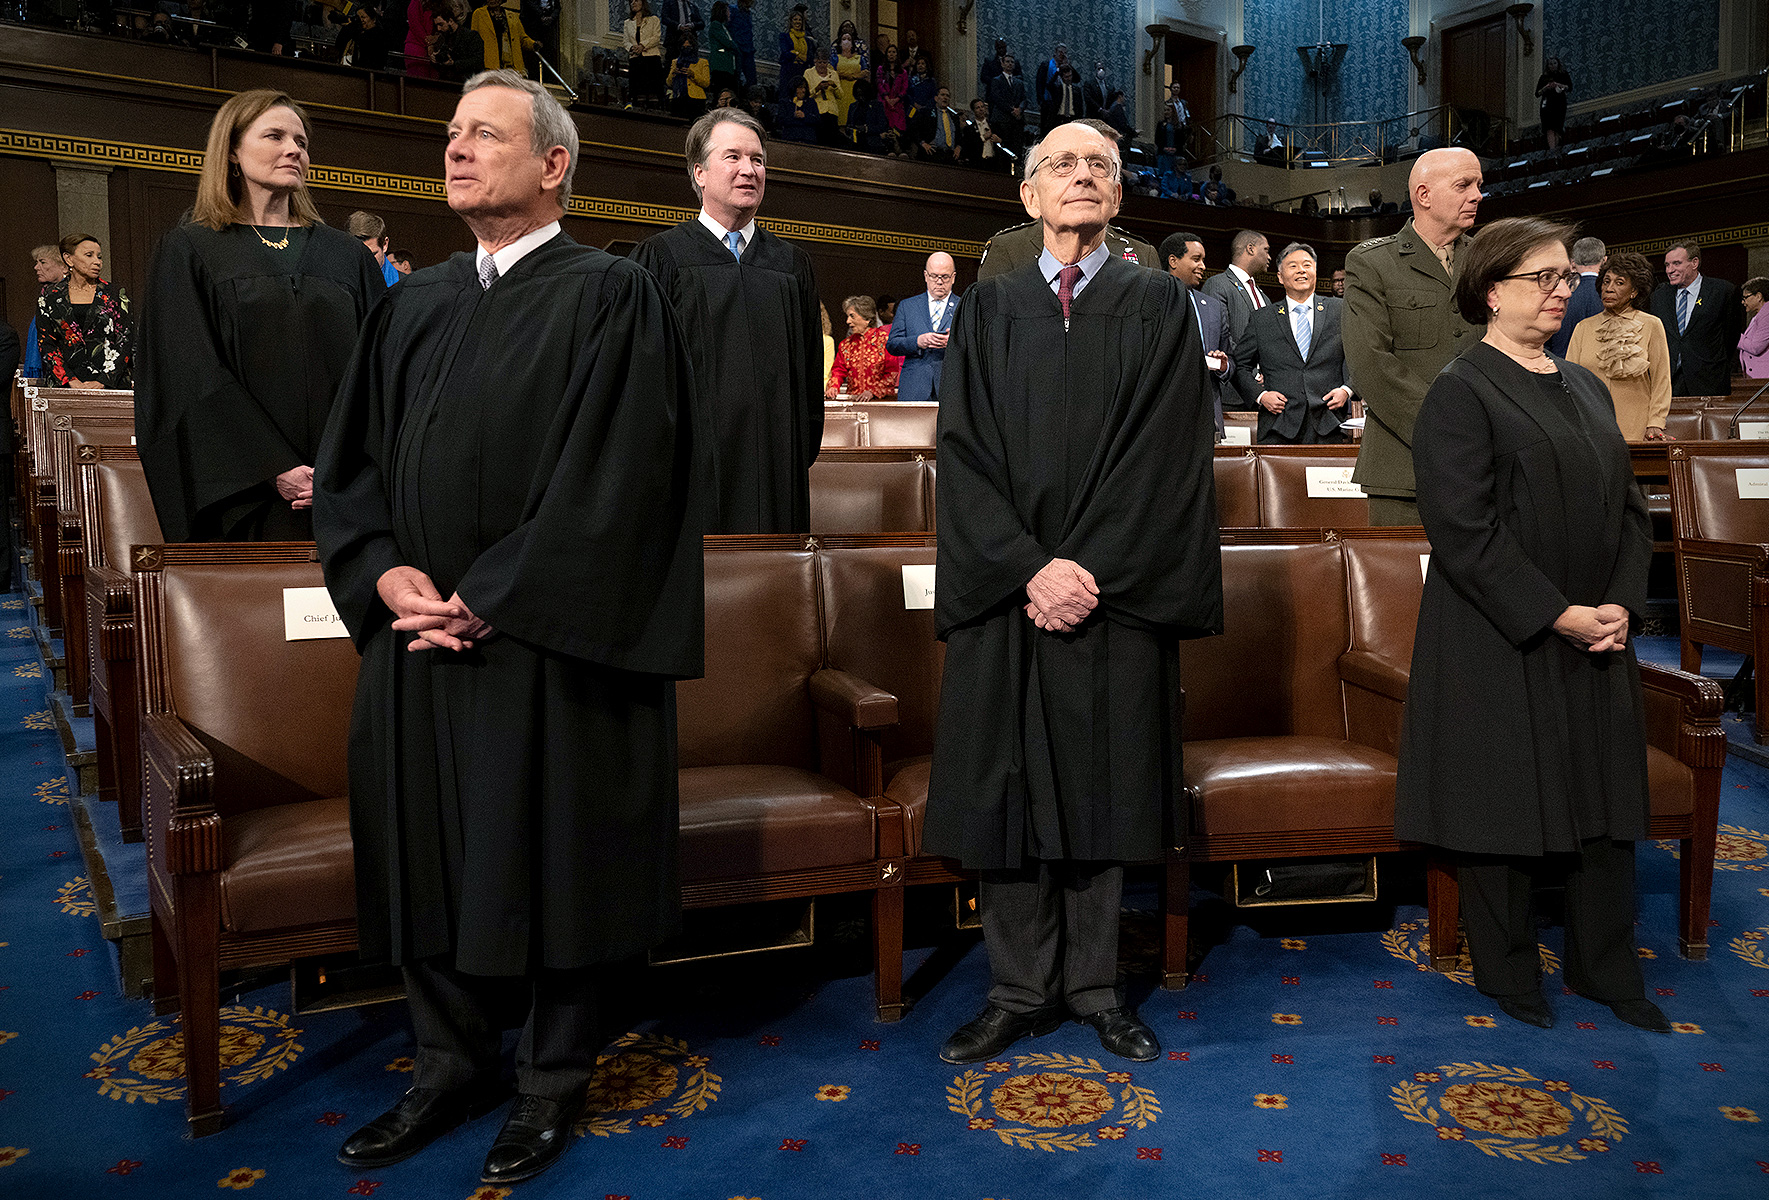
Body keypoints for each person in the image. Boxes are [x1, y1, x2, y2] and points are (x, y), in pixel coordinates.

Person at [316, 69, 707, 1186]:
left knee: (552, 852)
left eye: (482, 134)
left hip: (544, 642)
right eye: (449, 133)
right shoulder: (414, 300)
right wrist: (384, 574)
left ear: (552, 166)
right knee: (424, 842)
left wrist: (493, 594)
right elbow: (348, 468)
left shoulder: (611, 296)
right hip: (415, 639)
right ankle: (445, 1060)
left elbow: (622, 481)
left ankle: (548, 1078)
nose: (453, 148)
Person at [925, 119, 1221, 1067]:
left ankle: (1095, 985)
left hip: (1111, 591)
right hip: (1011, 594)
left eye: (1100, 165)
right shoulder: (988, 307)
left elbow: (1167, 457)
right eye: (1061, 165)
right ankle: (1014, 988)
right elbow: (962, 455)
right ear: (1027, 196)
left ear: (1119, 196)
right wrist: (1025, 567)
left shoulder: (1156, 305)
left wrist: (1084, 568)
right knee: (1005, 788)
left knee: (1104, 787)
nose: (1082, 177)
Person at [1395, 216, 1667, 1034]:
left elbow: (1629, 508)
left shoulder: (1580, 382)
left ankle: (1606, 969)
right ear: (1489, 291)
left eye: (1565, 279)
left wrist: (1620, 601)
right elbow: (1462, 531)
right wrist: (1555, 613)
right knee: (1503, 813)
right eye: (1542, 279)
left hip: (1598, 630)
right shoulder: (1460, 389)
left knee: (1603, 809)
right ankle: (1508, 973)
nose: (1562, 292)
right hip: (1500, 632)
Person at [136, 90, 385, 543]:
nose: (294, 149)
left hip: (347, 489)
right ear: (232, 151)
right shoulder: (190, 250)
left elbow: (381, 371)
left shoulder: (346, 255)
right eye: (274, 136)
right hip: (247, 495)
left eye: (301, 141)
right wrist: (274, 468)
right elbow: (190, 374)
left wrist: (348, 468)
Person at [632, 108, 823, 533]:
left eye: (757, 160)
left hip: (779, 471)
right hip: (693, 472)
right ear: (699, 172)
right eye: (733, 157)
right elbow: (643, 381)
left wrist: (791, 451)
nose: (749, 170)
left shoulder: (791, 266)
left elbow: (809, 378)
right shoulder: (662, 258)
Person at [1344, 146, 1483, 525]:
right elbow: (1370, 364)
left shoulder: (1489, 261)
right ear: (1424, 195)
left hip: (1486, 467)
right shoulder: (1372, 263)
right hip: (1404, 469)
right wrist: (1450, 427)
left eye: (1479, 185)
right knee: (1403, 582)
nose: (1477, 195)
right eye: (1464, 185)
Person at [1234, 242, 1352, 444]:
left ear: (1315, 271)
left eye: (1307, 265)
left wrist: (1347, 390)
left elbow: (1361, 357)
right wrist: (1261, 396)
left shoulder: (1340, 310)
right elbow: (1240, 365)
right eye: (1293, 266)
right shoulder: (1263, 318)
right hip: (1278, 424)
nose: (1301, 271)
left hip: (1329, 422)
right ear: (1280, 277)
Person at [1565, 251, 1672, 441]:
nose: (1609, 288)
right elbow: (1570, 381)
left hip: (1635, 427)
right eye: (1606, 282)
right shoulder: (1583, 327)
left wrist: (1655, 422)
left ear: (1634, 291)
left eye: (1619, 283)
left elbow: (1661, 379)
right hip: (1590, 425)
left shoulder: (1651, 325)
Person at [1161, 230, 1236, 437]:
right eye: (1196, 259)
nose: (1202, 266)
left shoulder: (1213, 307)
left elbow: (1231, 360)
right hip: (1166, 413)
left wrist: (1223, 365)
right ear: (1173, 261)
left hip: (1208, 414)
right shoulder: (1153, 301)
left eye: (1203, 260)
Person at [36, 235, 133, 391]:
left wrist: (103, 381)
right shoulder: (50, 296)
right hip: (65, 387)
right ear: (68, 259)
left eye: (99, 257)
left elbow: (126, 340)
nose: (97, 262)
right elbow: (46, 343)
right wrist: (70, 381)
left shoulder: (115, 293)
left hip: (110, 386)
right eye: (89, 255)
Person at [1648, 242, 1742, 397]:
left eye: (1676, 263)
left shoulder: (1723, 291)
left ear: (1694, 263)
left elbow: (1731, 336)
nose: (1670, 270)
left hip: (1709, 381)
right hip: (1669, 383)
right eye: (1667, 265)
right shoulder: (1659, 296)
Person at [886, 252, 958, 403]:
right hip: (914, 386)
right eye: (934, 276)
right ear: (926, 276)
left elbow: (978, 347)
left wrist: (955, 342)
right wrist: (917, 341)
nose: (939, 282)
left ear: (953, 278)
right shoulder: (908, 306)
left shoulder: (964, 306)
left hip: (951, 387)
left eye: (944, 277)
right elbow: (892, 344)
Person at [1200, 227, 1271, 344]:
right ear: (1251, 249)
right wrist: (1242, 361)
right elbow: (1216, 334)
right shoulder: (1218, 284)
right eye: (1266, 250)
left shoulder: (1264, 298)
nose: (1269, 257)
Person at [825, 295, 902, 399]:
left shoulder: (884, 340)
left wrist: (873, 391)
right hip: (855, 402)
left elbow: (891, 373)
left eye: (852, 316)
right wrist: (833, 386)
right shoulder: (846, 344)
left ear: (867, 318)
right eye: (848, 316)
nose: (848, 321)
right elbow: (839, 370)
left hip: (880, 402)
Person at [1547, 236, 1605, 358]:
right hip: (1601, 369)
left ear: (1572, 263)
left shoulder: (1558, 294)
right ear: (1604, 261)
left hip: (1561, 366)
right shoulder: (1611, 295)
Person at [22, 245, 66, 378]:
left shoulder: (69, 297)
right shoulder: (45, 295)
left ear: (63, 266)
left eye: (42, 262)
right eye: (36, 262)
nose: (36, 267)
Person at [471, 0, 538, 74]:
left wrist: (533, 44)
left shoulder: (512, 16)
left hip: (513, 69)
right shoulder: (478, 14)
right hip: (490, 67)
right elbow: (473, 40)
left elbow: (522, 39)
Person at [624, 0, 665, 109]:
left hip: (651, 59)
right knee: (639, 93)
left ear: (643, 3)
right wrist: (632, 48)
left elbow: (656, 38)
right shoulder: (627, 23)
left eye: (636, 0)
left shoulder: (653, 20)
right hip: (636, 60)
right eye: (631, 1)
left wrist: (642, 46)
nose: (633, 3)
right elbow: (626, 41)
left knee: (653, 93)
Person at [985, 53, 1027, 151]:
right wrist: (1012, 110)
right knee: (1002, 149)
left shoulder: (1019, 82)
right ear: (1002, 64)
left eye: (1012, 62)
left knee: (1016, 148)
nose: (1010, 64)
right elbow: (997, 98)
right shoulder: (996, 80)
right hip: (1001, 120)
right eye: (1007, 62)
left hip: (1016, 121)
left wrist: (1020, 109)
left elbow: (1024, 99)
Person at [350, 211, 403, 287]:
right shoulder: (338, 281)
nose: (365, 262)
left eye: (372, 254)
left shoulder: (405, 287)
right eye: (358, 255)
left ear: (385, 245)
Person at [666, 33, 710, 119]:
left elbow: (706, 83)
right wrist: (673, 74)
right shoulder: (675, 62)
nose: (686, 49)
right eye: (683, 47)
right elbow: (669, 83)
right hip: (678, 98)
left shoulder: (702, 62)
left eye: (688, 47)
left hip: (695, 100)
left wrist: (693, 75)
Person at [776, 7, 814, 98]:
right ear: (791, 21)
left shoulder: (807, 41)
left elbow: (809, 58)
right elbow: (786, 53)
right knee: (787, 96)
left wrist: (795, 53)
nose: (798, 22)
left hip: (802, 71)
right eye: (795, 19)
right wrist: (799, 55)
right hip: (788, 71)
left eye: (800, 20)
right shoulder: (784, 37)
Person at [876, 42, 909, 145]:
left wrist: (896, 99)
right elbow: (879, 84)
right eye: (889, 52)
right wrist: (887, 98)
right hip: (884, 102)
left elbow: (905, 87)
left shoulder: (903, 72)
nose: (891, 54)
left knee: (897, 128)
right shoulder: (881, 69)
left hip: (897, 103)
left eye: (894, 52)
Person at [705, 2, 738, 104]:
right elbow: (726, 44)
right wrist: (730, 48)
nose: (730, 14)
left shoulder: (723, 27)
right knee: (720, 94)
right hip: (720, 66)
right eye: (728, 11)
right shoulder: (716, 25)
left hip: (727, 67)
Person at [804, 54, 842, 143]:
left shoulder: (833, 74)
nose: (822, 65)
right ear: (815, 62)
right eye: (819, 62)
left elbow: (840, 95)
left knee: (832, 140)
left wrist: (834, 85)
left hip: (832, 111)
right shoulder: (808, 73)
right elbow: (805, 94)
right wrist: (817, 88)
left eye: (824, 62)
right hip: (817, 111)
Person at [1537, 56, 1572, 151]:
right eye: (1550, 64)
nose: (1552, 66)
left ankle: (1556, 147)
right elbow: (1537, 93)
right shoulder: (1543, 77)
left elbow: (1569, 88)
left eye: (1554, 63)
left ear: (1558, 64)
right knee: (1549, 127)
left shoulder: (1563, 74)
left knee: (1557, 127)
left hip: (1559, 103)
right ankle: (1552, 149)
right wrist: (1546, 88)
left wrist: (1558, 85)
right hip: (1547, 104)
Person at [831, 29, 865, 127]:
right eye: (844, 39)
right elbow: (832, 72)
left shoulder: (859, 58)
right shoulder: (835, 57)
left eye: (849, 39)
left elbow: (865, 72)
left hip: (855, 90)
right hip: (840, 90)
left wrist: (853, 76)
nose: (846, 41)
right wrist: (846, 76)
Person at [1740, 277, 1769, 379]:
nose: (1743, 302)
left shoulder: (1767, 314)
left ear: (1758, 296)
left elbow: (1756, 347)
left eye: (1745, 298)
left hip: (1764, 379)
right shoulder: (1760, 315)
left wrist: (1734, 336)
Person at [776, 78, 817, 143]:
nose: (803, 90)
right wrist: (793, 116)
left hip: (807, 139)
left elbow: (817, 120)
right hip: (791, 138)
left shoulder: (811, 102)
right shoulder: (785, 102)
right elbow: (781, 120)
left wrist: (804, 116)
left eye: (805, 88)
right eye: (800, 88)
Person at [728, 0, 755, 90]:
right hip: (737, 49)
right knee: (736, 78)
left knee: (751, 79)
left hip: (748, 50)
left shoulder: (748, 13)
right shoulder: (733, 10)